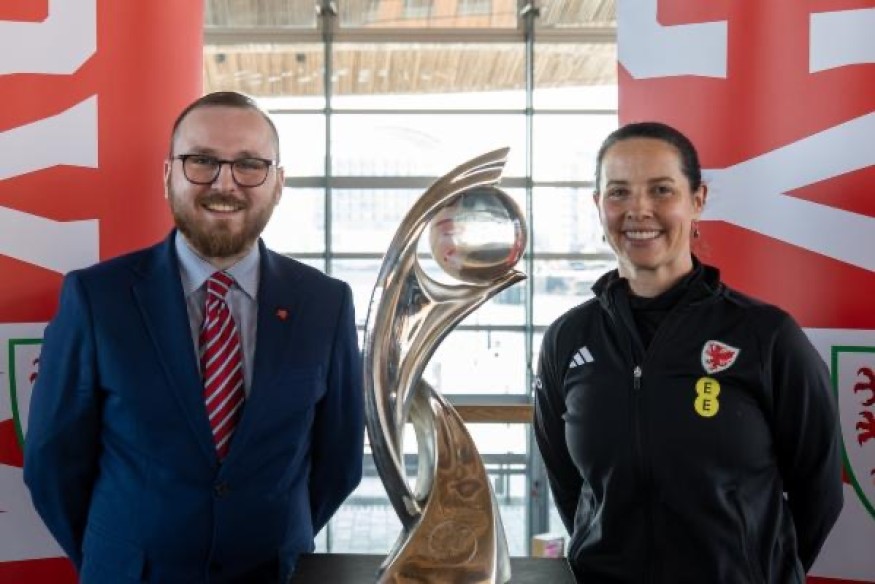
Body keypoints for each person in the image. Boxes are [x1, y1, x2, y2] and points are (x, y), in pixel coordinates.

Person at [24, 91, 364, 583]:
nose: (225, 183)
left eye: (250, 165)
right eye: (202, 161)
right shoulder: (96, 299)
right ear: (168, 176)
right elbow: (52, 463)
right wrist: (115, 555)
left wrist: (277, 538)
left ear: (278, 184)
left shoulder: (325, 304)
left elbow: (340, 462)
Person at [533, 121, 843, 583]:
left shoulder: (766, 335)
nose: (639, 209)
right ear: (598, 205)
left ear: (697, 200)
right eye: (618, 192)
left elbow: (819, 490)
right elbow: (569, 486)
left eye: (661, 190)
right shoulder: (568, 339)